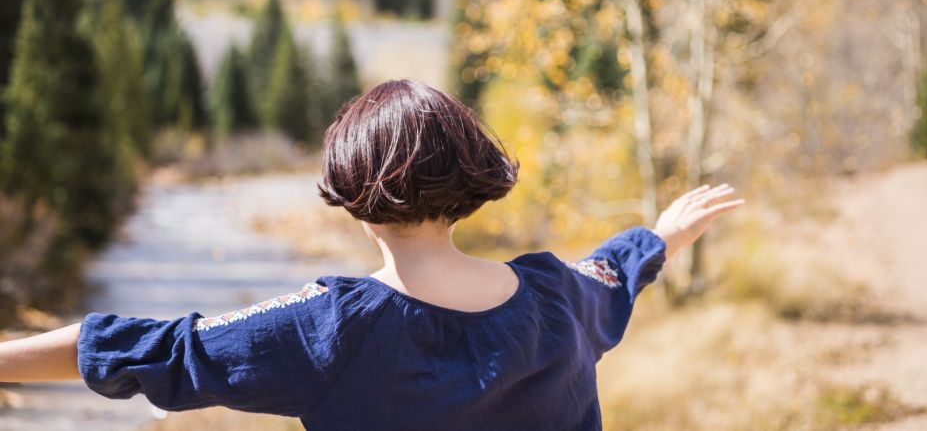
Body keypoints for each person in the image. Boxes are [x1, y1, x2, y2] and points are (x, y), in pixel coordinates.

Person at [0, 79, 744, 430]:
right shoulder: (557, 300)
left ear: (352, 196)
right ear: (473, 177)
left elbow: (154, 350)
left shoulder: (328, 329)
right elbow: (612, 272)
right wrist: (664, 234)